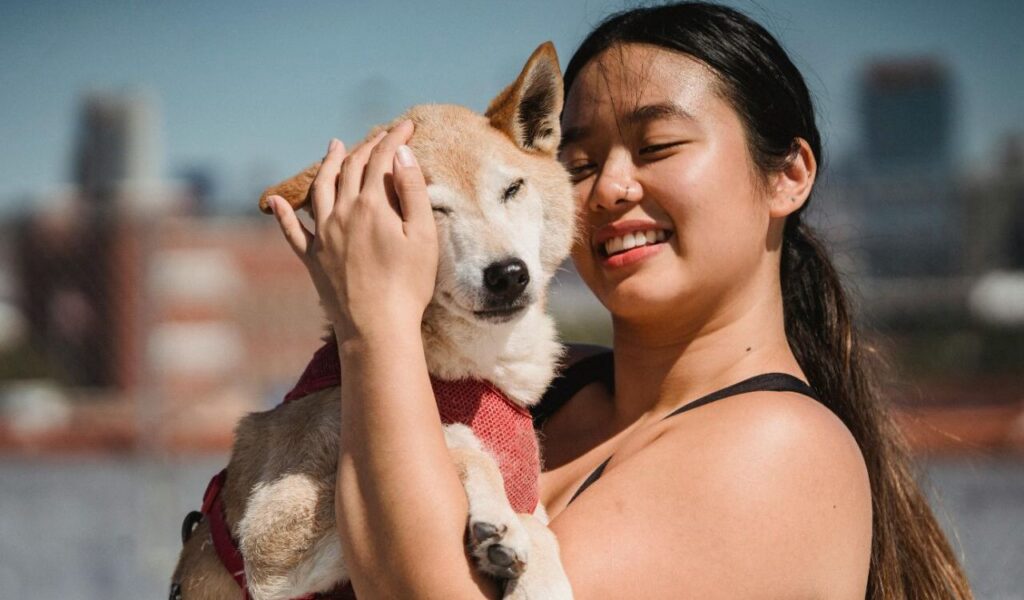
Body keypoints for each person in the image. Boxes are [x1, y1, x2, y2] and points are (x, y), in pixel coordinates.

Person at [265, 2, 972, 598]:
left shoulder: (781, 449)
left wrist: (374, 328)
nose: (609, 187)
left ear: (789, 175)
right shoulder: (541, 389)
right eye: (577, 162)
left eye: (658, 145)